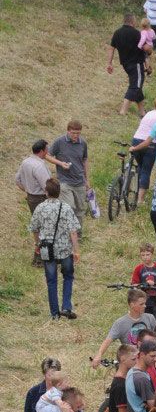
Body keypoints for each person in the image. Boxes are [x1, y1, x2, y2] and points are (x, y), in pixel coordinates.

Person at [30, 177, 81, 321]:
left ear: (46, 192)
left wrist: (37, 244)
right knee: (68, 276)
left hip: (47, 250)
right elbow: (73, 232)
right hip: (65, 250)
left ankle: (54, 313)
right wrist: (76, 251)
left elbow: (34, 228)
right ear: (59, 192)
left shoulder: (40, 208)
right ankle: (66, 307)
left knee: (51, 281)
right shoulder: (66, 208)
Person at [16, 138, 55, 215]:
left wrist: (27, 190)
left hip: (31, 198)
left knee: (35, 220)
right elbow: (46, 186)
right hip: (41, 199)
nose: (47, 152)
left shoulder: (25, 162)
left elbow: (17, 179)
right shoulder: (39, 166)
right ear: (41, 151)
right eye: (46, 149)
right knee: (45, 221)